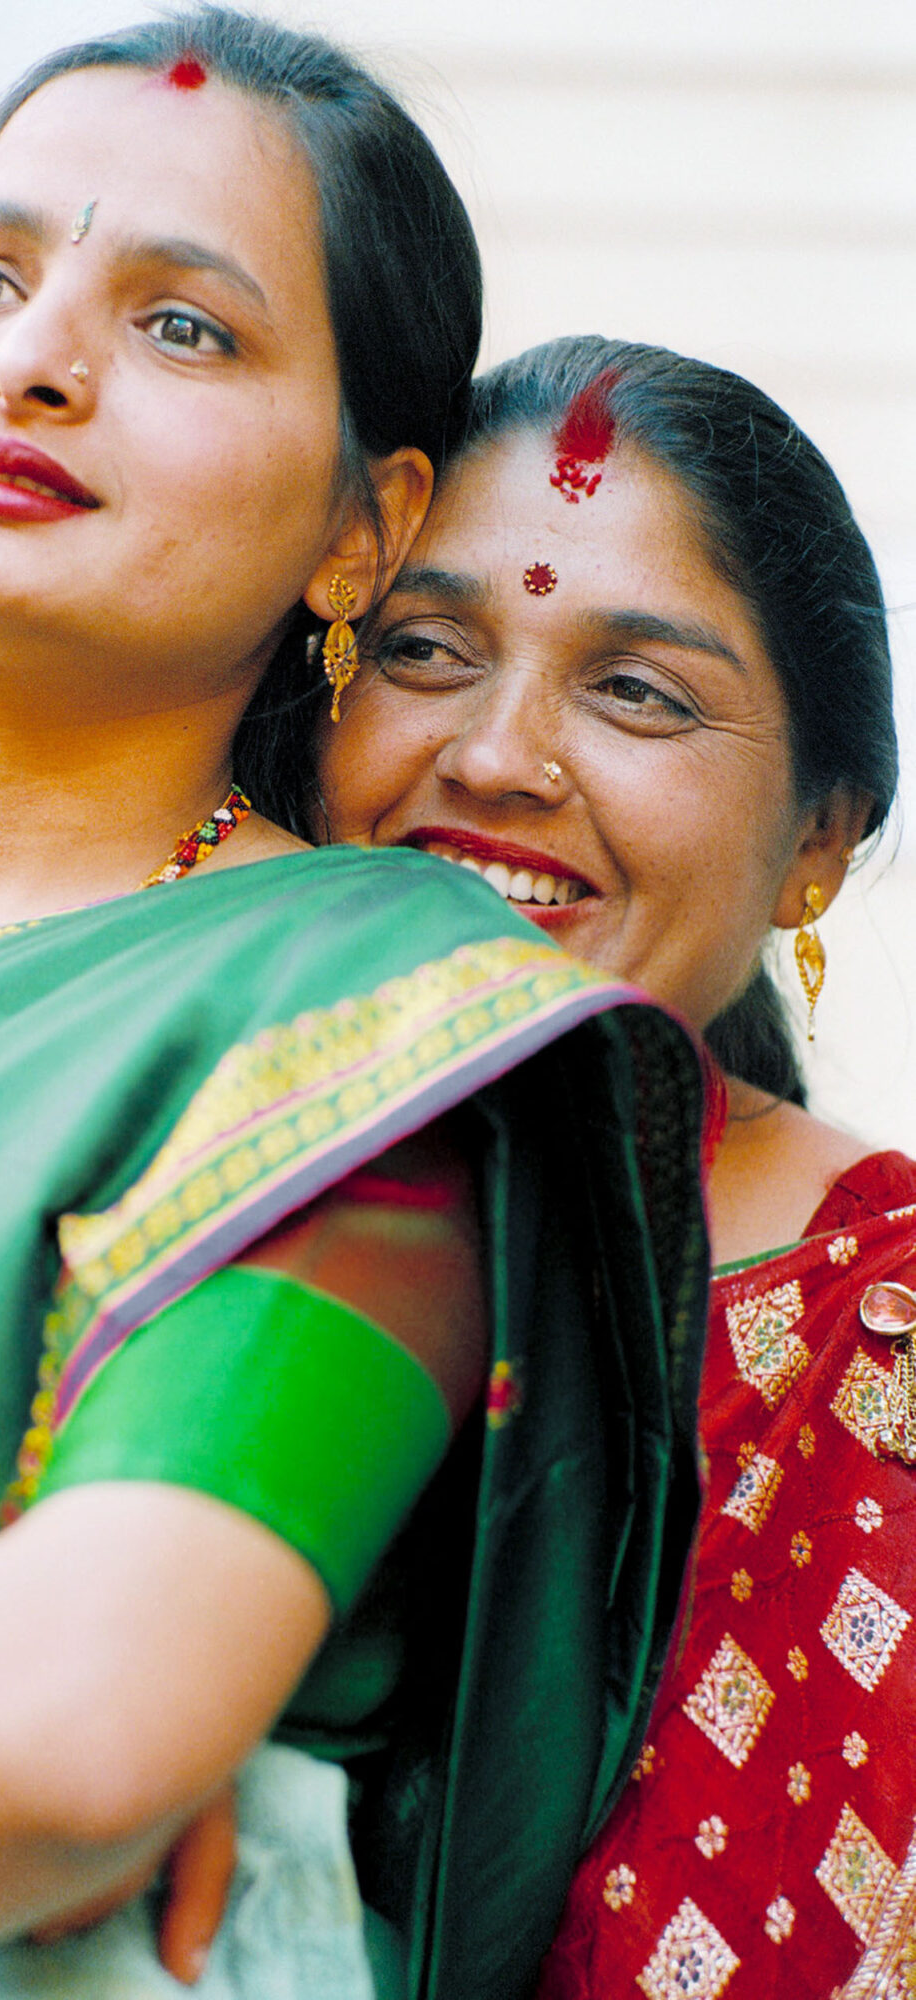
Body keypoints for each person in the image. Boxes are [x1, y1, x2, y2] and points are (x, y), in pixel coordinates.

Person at [0, 27, 707, 2000]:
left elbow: (73, 1726)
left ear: (368, 525)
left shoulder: (374, 1017)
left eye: (184, 327)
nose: (29, 361)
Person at [315, 333, 914, 1997]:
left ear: (813, 845)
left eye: (633, 690)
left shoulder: (876, 1333)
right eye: (425, 649)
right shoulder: (161, 1183)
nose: (498, 756)